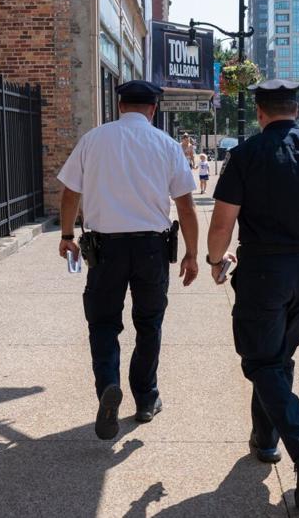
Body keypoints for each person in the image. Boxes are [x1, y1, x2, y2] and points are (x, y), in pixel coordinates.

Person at [206, 79, 299, 509]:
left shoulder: (246, 156)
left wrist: (216, 261)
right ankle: (264, 439)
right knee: (277, 358)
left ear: (260, 112)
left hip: (262, 273)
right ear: (296, 107)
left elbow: (222, 225)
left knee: (259, 360)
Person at [57, 80, 200, 440]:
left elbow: (70, 191)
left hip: (105, 249)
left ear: (119, 105)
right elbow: (185, 204)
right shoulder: (166, 145)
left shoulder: (94, 140)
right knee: (149, 323)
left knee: (103, 323)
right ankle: (146, 399)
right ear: (153, 109)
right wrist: (193, 254)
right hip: (152, 248)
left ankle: (108, 384)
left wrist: (66, 236)